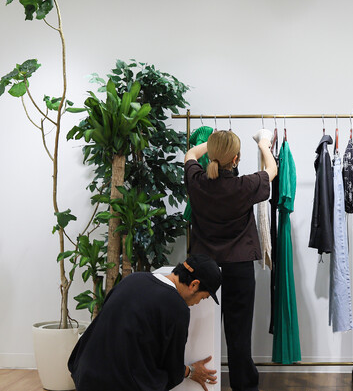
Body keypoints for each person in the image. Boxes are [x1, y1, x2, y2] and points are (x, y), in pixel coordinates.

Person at [184, 129, 277, 391]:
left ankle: (199, 384)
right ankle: (244, 387)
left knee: (199, 331)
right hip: (238, 266)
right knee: (239, 335)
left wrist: (210, 144)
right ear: (236, 158)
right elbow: (272, 169)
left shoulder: (197, 181)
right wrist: (264, 143)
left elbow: (190, 154)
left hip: (202, 269)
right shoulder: (245, 185)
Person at [68, 254, 221, 391]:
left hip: (85, 373)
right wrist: (191, 371)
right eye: (203, 297)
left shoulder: (133, 279)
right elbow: (173, 368)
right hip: (120, 384)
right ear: (194, 284)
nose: (197, 303)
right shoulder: (178, 308)